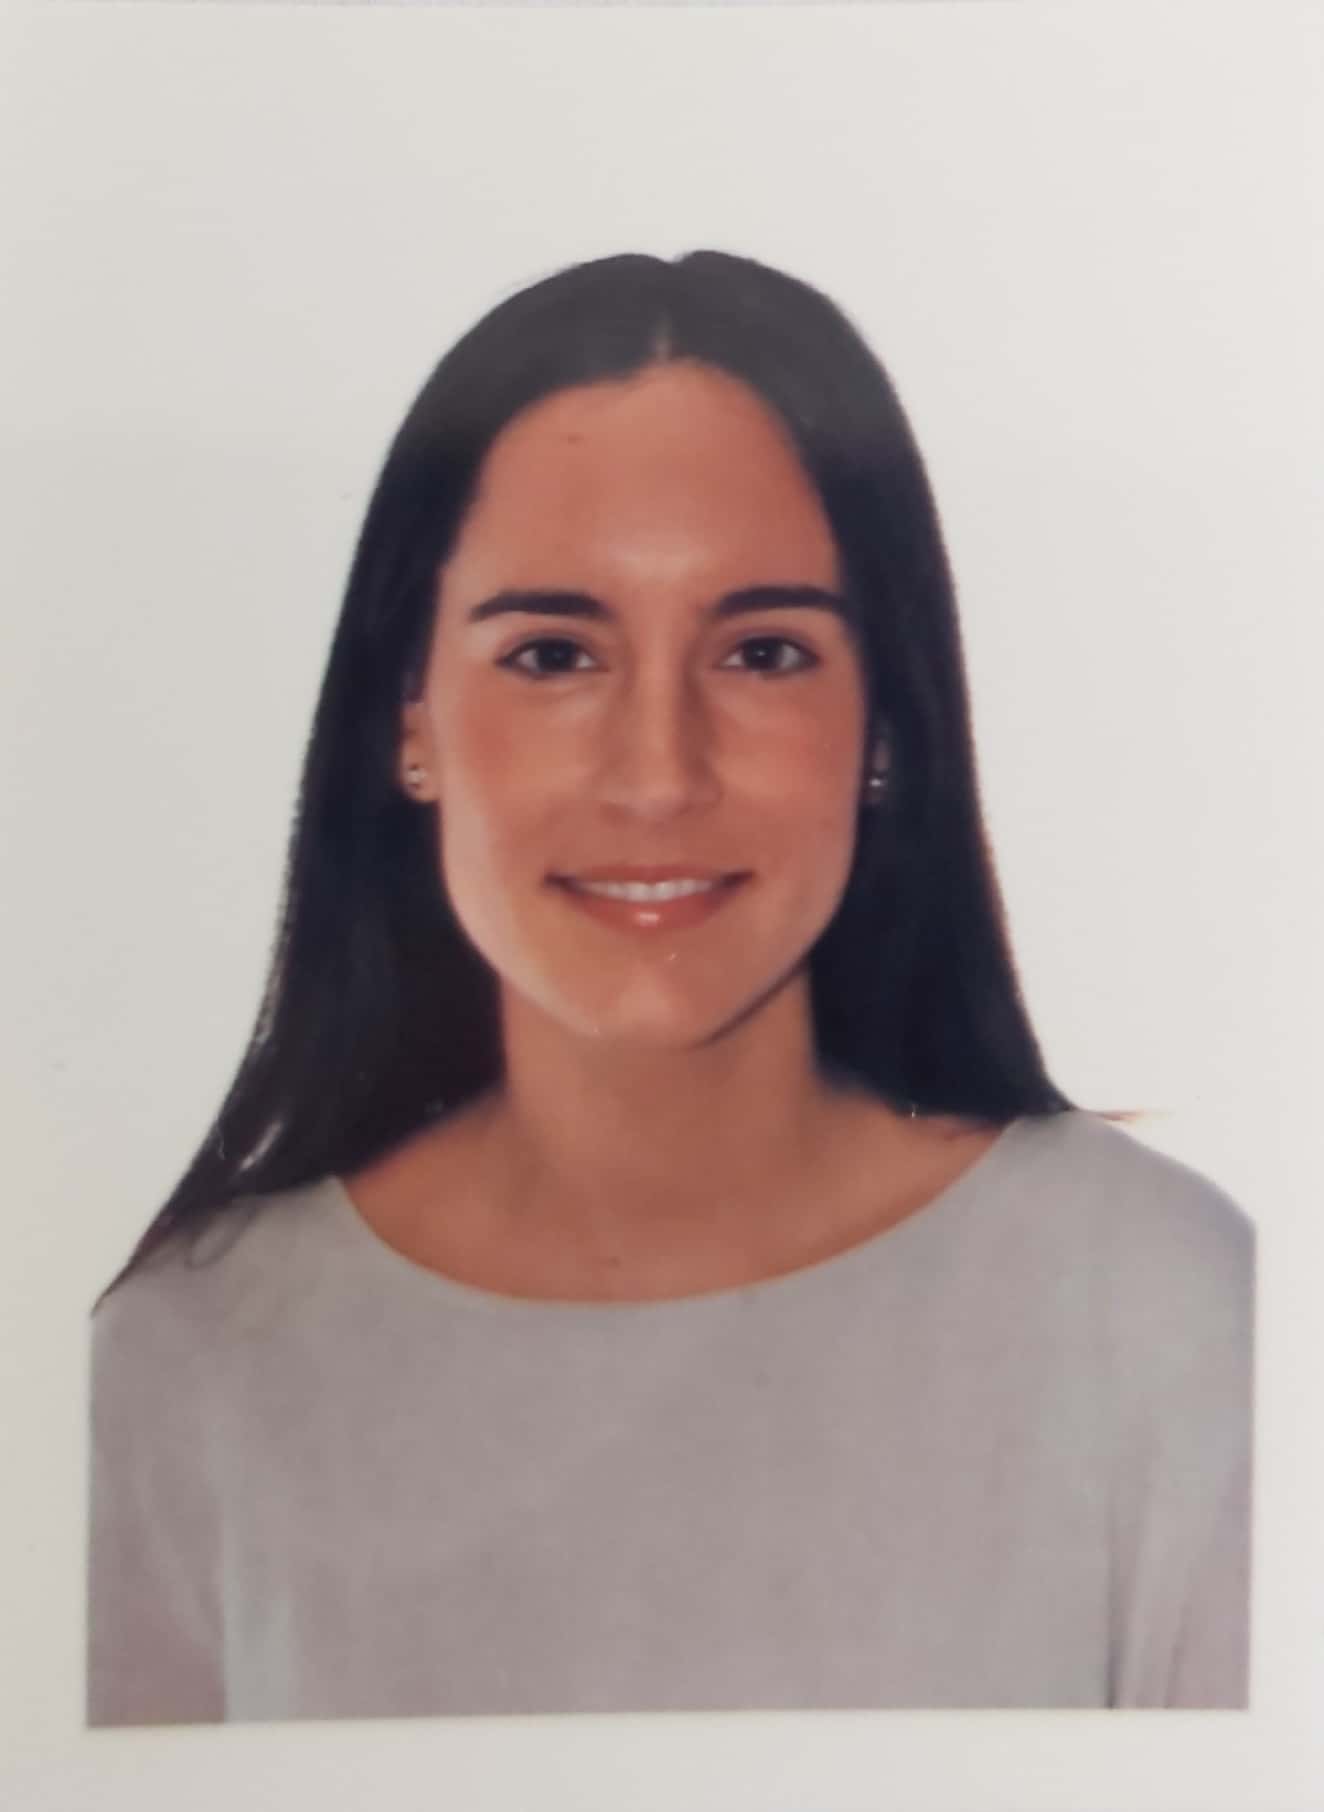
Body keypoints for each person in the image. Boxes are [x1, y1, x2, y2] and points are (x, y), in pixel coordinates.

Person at [86, 251, 1253, 1725]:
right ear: (410, 723)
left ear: (885, 727)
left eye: (763, 652)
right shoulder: (184, 1372)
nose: (658, 773)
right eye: (553, 653)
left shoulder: (1164, 1314)